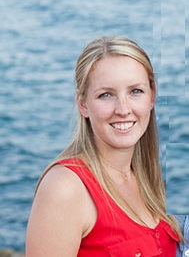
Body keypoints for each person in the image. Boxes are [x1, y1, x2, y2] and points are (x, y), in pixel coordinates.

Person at [26, 36, 183, 257]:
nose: (123, 109)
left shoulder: (149, 179)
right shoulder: (65, 189)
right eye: (106, 95)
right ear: (83, 105)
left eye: (135, 91)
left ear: (152, 96)